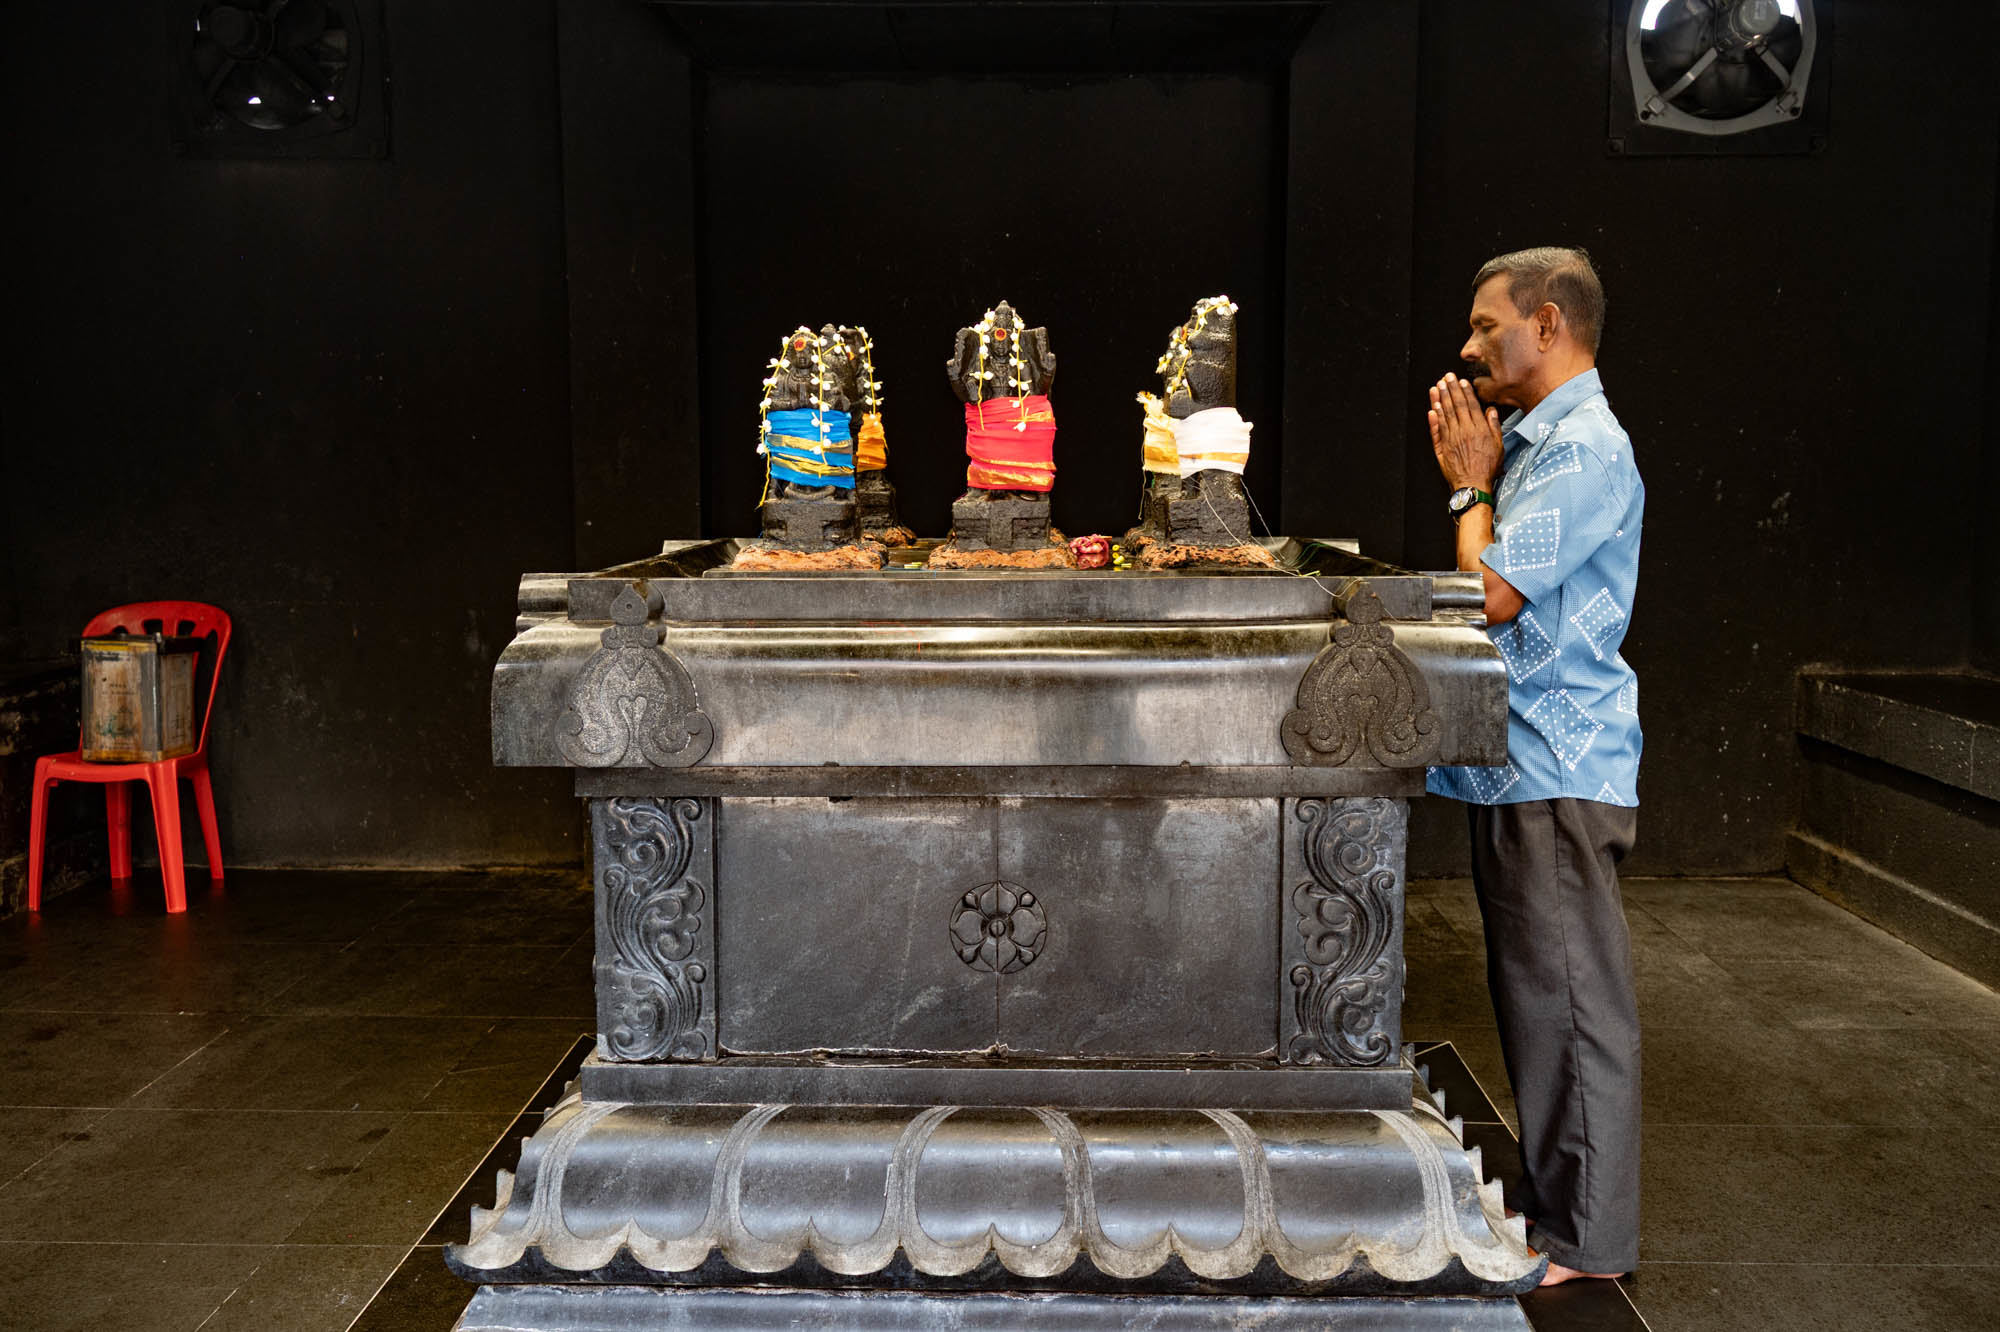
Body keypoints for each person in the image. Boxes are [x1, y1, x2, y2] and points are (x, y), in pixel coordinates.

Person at [1425, 246, 1644, 1288]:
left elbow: (1490, 595)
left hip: (1556, 765)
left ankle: (1586, 1243)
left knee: (1569, 1003)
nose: (1469, 347)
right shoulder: (1542, 439)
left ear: (1546, 324)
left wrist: (1469, 488)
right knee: (1539, 997)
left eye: (1486, 326)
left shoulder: (1583, 448)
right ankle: (1567, 1216)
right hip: (1524, 765)